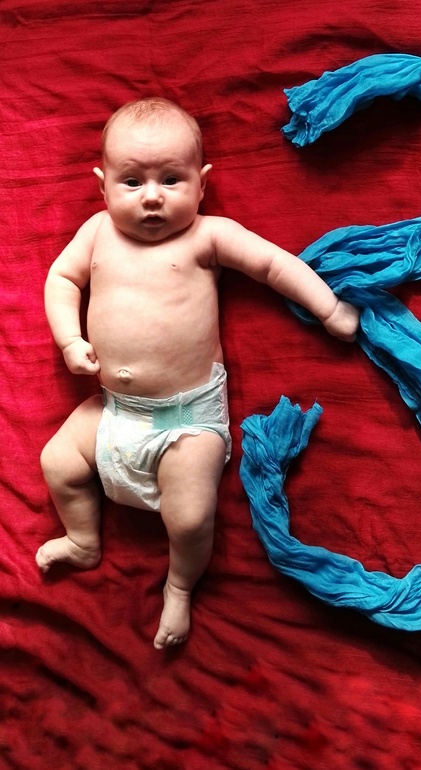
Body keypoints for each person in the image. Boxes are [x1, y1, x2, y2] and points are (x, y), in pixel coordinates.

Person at [36, 97, 359, 650]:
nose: (153, 196)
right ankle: (83, 540)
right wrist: (70, 339)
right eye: (132, 181)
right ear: (102, 185)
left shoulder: (208, 235)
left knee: (189, 518)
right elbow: (62, 280)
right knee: (58, 462)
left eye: (172, 179)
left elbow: (273, 264)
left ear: (202, 184)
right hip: (114, 411)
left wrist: (328, 308)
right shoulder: (96, 233)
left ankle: (180, 585)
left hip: (188, 421)